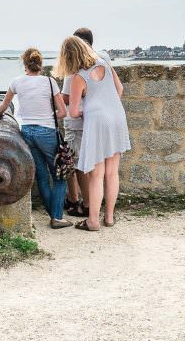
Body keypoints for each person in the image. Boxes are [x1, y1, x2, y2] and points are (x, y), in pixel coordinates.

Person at [55, 36, 130, 231]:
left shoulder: (78, 76)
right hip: (117, 116)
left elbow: (72, 112)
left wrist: (87, 111)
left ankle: (93, 221)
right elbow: (119, 89)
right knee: (112, 172)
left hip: (97, 120)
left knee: (97, 174)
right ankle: (110, 218)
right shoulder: (105, 61)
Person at [0, 48, 72, 229]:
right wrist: (47, 114)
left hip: (27, 132)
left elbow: (3, 107)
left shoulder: (16, 82)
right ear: (40, 64)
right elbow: (63, 112)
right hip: (47, 132)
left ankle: (53, 214)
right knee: (59, 176)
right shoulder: (49, 82)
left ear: (24, 64)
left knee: (42, 177)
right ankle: (57, 217)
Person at [61, 27, 113, 218]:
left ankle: (88, 204)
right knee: (98, 165)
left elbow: (67, 98)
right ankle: (99, 208)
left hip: (77, 122)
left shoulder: (75, 65)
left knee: (77, 163)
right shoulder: (103, 59)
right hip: (100, 119)